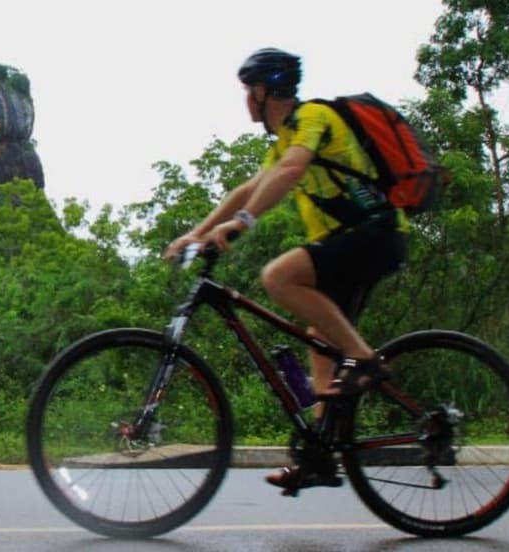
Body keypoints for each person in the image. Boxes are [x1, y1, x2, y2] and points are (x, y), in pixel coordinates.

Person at [163, 47, 408, 494]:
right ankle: (320, 455)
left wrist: (245, 223)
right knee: (319, 341)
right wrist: (196, 234)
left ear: (264, 91)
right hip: (349, 242)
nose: (245, 101)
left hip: (375, 232)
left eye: (247, 91)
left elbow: (292, 170)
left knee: (278, 276)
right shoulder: (283, 141)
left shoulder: (312, 117)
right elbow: (249, 188)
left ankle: (368, 362)